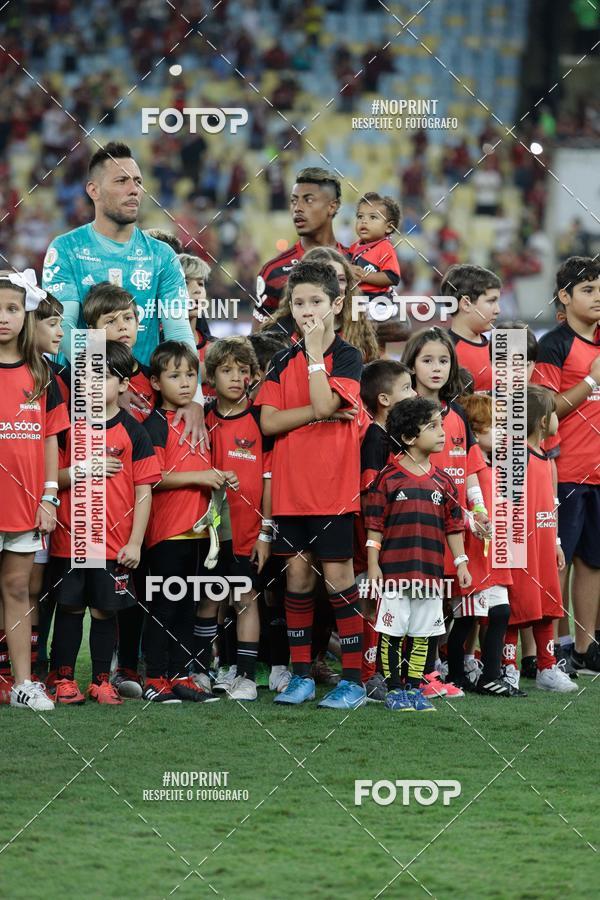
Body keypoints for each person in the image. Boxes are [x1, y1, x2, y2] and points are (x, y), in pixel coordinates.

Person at [42, 141, 207, 446]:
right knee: (90, 492)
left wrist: (194, 397)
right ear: (94, 190)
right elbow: (62, 328)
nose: (134, 189)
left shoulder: (162, 256)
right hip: (79, 402)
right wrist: (109, 386)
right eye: (121, 181)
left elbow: (178, 331)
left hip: (146, 399)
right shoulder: (65, 249)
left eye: (138, 182)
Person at [257, 260, 366, 709]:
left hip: (334, 489)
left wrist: (317, 356)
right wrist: (317, 414)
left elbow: (324, 398)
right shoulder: (281, 358)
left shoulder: (347, 356)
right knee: (297, 578)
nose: (306, 311)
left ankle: (354, 679)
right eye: (298, 302)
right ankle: (301, 674)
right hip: (290, 488)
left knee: (339, 578)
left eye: (316, 302)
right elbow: (269, 422)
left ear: (336, 304)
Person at [47, 341, 160, 705]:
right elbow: (51, 479)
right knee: (69, 608)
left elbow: (145, 491)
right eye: (86, 377)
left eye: (105, 377)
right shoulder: (66, 427)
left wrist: (136, 542)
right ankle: (63, 678)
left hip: (114, 544)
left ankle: (100, 680)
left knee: (104, 609)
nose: (93, 384)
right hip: (71, 539)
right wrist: (83, 469)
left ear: (125, 384)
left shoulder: (134, 432)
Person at [143, 342, 237, 704]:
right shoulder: (152, 425)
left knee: (186, 606)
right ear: (154, 381)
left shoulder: (199, 418)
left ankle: (181, 675)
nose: (184, 383)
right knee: (164, 607)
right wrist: (201, 476)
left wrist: (220, 476)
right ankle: (155, 677)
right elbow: (153, 478)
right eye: (173, 376)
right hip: (165, 533)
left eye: (189, 376)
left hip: (199, 531)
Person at [364, 397, 471, 712]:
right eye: (433, 427)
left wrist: (462, 562)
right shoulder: (387, 478)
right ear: (410, 438)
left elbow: (454, 527)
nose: (442, 433)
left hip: (430, 575)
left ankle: (413, 688)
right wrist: (373, 565)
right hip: (395, 576)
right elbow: (374, 527)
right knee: (393, 631)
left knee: (424, 634)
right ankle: (394, 689)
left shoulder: (445, 481)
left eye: (441, 425)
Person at [402, 326, 489, 697]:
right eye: (427, 360)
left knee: (442, 599)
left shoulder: (457, 416)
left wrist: (478, 507)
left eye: (443, 360)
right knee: (412, 597)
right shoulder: (404, 415)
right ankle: (405, 672)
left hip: (455, 526)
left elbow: (468, 468)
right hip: (417, 522)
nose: (436, 368)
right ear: (411, 365)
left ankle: (431, 670)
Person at [0, 270, 68, 711]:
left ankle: (24, 683)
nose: (3, 318)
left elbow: (48, 440)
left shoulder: (42, 373)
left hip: (26, 504)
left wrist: (49, 496)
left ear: (24, 315)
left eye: (10, 309)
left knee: (18, 590)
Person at [531, 256, 600, 674]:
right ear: (564, 297)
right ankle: (551, 649)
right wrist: (591, 381)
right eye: (588, 289)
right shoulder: (554, 343)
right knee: (560, 560)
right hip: (566, 470)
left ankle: (586, 646)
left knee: (594, 561)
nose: (598, 297)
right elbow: (545, 406)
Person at [199, 337, 273, 701]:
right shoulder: (203, 419)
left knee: (245, 596)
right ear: (210, 377)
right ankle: (208, 669)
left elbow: (269, 480)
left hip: (249, 530)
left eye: (242, 371)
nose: (234, 378)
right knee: (212, 598)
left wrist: (266, 532)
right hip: (213, 530)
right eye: (226, 370)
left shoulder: (261, 420)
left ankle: (245, 676)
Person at [501, 386, 577, 694]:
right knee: (518, 607)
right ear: (543, 422)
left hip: (544, 546)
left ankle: (547, 667)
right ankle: (508, 669)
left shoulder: (545, 457)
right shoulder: (514, 457)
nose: (558, 417)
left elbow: (550, 505)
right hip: (520, 547)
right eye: (554, 413)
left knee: (548, 604)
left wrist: (556, 540)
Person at [356, 359, 415, 700]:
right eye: (406, 388)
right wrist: (375, 542)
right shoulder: (375, 440)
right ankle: (368, 673)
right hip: (375, 540)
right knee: (372, 603)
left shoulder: (392, 437)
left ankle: (389, 670)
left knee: (390, 603)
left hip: (390, 538)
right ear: (384, 399)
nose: (415, 393)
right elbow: (371, 495)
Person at [451, 393, 516, 696]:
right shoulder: (468, 464)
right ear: (475, 432)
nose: (503, 431)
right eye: (496, 426)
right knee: (465, 616)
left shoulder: (495, 466)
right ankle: (454, 674)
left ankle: (492, 675)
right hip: (471, 551)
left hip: (493, 554)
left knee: (501, 612)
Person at [253, 167, 347, 328]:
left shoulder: (357, 263)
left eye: (308, 200)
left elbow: (401, 327)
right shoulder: (273, 271)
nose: (297, 208)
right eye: (294, 201)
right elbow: (257, 342)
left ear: (332, 206)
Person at [83, 282, 155, 422]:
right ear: (93, 332)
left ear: (137, 323)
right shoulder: (85, 380)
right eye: (110, 321)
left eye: (128, 318)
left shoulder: (154, 378)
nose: (122, 326)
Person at [441, 263, 502, 392]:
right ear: (466, 304)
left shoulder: (499, 347)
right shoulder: (443, 351)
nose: (498, 310)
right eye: (491, 301)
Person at [348, 192, 401, 298]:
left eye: (372, 217)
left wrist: (363, 275)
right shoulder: (354, 247)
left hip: (378, 301)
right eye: (360, 216)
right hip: (357, 298)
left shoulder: (385, 247)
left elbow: (392, 277)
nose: (364, 221)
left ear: (389, 227)